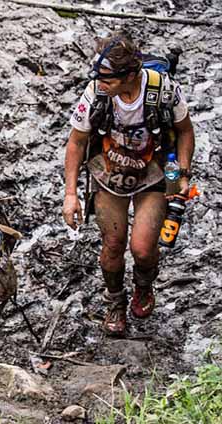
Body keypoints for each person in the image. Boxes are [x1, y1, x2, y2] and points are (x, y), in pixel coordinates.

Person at [63, 33, 195, 335]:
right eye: (97, 76)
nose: (99, 83)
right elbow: (76, 141)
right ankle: (115, 302)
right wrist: (71, 194)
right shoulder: (95, 93)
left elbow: (184, 132)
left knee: (144, 248)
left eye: (107, 78)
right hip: (108, 172)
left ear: (131, 76)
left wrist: (182, 174)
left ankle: (144, 286)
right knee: (113, 244)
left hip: (155, 171)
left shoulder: (163, 90)